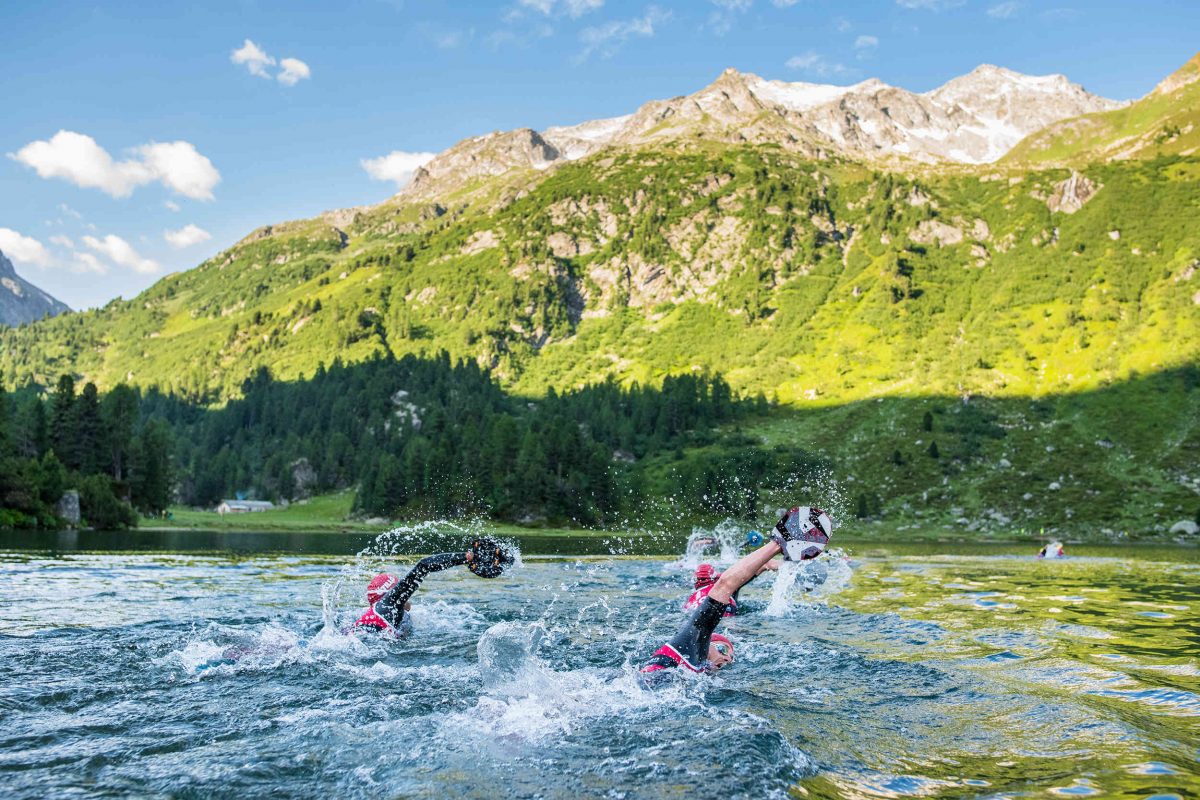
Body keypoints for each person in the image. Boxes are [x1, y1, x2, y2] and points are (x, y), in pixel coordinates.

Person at [641, 506, 834, 684]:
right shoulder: (691, 643)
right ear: (706, 642)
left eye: (731, 657)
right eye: (724, 650)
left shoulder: (696, 670)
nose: (727, 658)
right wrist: (778, 545)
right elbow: (727, 583)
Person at [353, 537, 513, 636]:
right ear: (392, 592)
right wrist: (465, 557)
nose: (407, 594)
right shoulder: (389, 604)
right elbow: (424, 565)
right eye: (398, 587)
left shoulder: (384, 613)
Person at [682, 557, 779, 616]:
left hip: (699, 616)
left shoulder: (692, 599)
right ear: (716, 578)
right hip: (727, 611)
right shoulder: (727, 584)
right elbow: (766, 564)